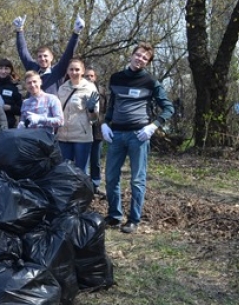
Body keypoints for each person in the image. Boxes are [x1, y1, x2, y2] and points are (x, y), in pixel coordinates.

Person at [101, 42, 175, 234]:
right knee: (110, 177)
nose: (140, 59)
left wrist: (153, 126)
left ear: (147, 63)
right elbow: (112, 104)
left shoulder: (151, 82)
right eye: (138, 55)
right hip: (116, 135)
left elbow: (169, 108)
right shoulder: (116, 78)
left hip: (138, 136)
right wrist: (105, 123)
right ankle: (114, 216)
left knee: (137, 179)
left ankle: (134, 219)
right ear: (132, 54)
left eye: (145, 58)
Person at [12, 14, 84, 95]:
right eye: (40, 56)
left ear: (51, 57)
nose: (42, 58)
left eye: (45, 56)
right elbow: (23, 51)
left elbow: (69, 52)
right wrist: (19, 31)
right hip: (32, 106)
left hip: (51, 106)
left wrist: (76, 33)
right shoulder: (33, 68)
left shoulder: (58, 70)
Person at [56, 58, 99, 172]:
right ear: (67, 71)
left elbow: (94, 119)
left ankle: (83, 190)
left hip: (82, 137)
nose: (74, 72)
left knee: (81, 171)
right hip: (63, 136)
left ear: (83, 71)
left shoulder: (90, 88)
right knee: (65, 170)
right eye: (71, 69)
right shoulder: (62, 88)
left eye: (77, 69)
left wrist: (91, 110)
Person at [85, 66, 108, 193]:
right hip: (83, 128)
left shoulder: (102, 90)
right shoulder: (80, 89)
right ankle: (85, 184)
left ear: (95, 77)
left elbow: (105, 109)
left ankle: (96, 183)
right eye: (86, 76)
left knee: (95, 159)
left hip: (98, 129)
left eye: (91, 76)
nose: (89, 78)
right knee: (84, 158)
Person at [0, 58, 23, 128]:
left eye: (6, 69)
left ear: (11, 70)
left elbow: (21, 109)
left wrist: (10, 108)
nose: (3, 71)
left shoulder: (15, 86)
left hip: (9, 125)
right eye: (1, 68)